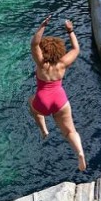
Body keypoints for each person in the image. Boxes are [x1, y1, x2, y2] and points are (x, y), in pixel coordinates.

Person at [28, 16, 86, 171]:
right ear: (59, 50)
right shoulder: (62, 63)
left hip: (42, 100)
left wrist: (42, 27)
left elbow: (34, 44)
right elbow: (76, 49)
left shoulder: (41, 64)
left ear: (44, 49)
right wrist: (70, 31)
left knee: (31, 103)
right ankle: (80, 153)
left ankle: (43, 129)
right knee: (70, 131)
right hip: (60, 100)